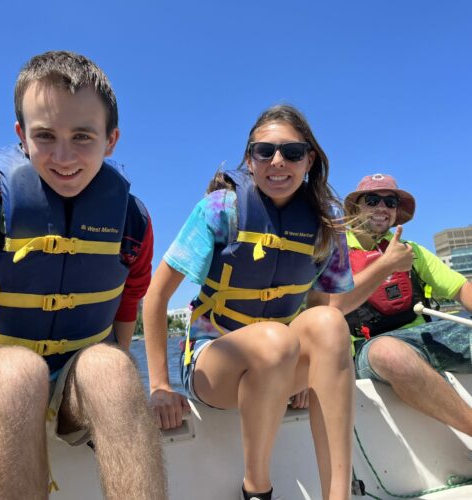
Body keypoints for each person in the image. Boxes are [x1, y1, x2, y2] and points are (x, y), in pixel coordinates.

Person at [0, 51, 166, 499]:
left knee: (115, 367)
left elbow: (130, 295)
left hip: (71, 381)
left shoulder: (131, 221)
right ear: (21, 135)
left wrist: (111, 374)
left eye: (82, 136)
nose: (63, 156)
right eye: (45, 136)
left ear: (110, 140)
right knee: (16, 374)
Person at [143, 104, 356, 500]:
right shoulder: (220, 210)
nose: (278, 161)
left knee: (330, 324)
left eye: (292, 152)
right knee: (276, 339)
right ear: (250, 159)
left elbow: (325, 304)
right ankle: (257, 488)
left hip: (283, 360)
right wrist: (159, 385)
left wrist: (313, 374)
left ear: (309, 159)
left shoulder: (326, 226)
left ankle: (338, 495)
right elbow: (156, 298)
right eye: (265, 151)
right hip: (213, 366)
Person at [330, 173, 472, 436]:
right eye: (372, 200)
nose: (381, 208)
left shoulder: (413, 251)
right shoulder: (334, 255)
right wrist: (387, 264)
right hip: (371, 346)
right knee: (389, 353)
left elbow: (460, 288)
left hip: (426, 336)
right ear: (354, 208)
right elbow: (332, 306)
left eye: (390, 202)